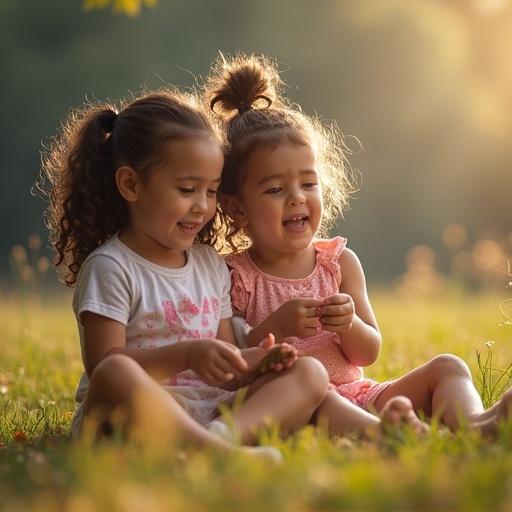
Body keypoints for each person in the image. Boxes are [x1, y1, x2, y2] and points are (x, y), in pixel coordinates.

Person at [204, 53, 511, 438]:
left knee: (448, 366)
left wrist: (348, 323)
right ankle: (394, 435)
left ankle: (475, 426)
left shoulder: (338, 262)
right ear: (236, 209)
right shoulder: (235, 276)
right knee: (321, 393)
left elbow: (367, 353)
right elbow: (231, 369)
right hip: (299, 401)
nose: (297, 198)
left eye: (308, 184)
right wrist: (276, 328)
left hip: (356, 393)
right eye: (276, 189)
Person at [39, 88, 330, 459]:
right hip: (132, 416)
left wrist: (254, 362)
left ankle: (220, 441)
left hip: (210, 409)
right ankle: (217, 452)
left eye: (211, 191)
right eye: (187, 189)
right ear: (131, 184)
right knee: (116, 370)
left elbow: (227, 358)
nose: (202, 207)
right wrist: (188, 355)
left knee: (310, 374)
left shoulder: (209, 263)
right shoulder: (111, 267)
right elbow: (102, 368)